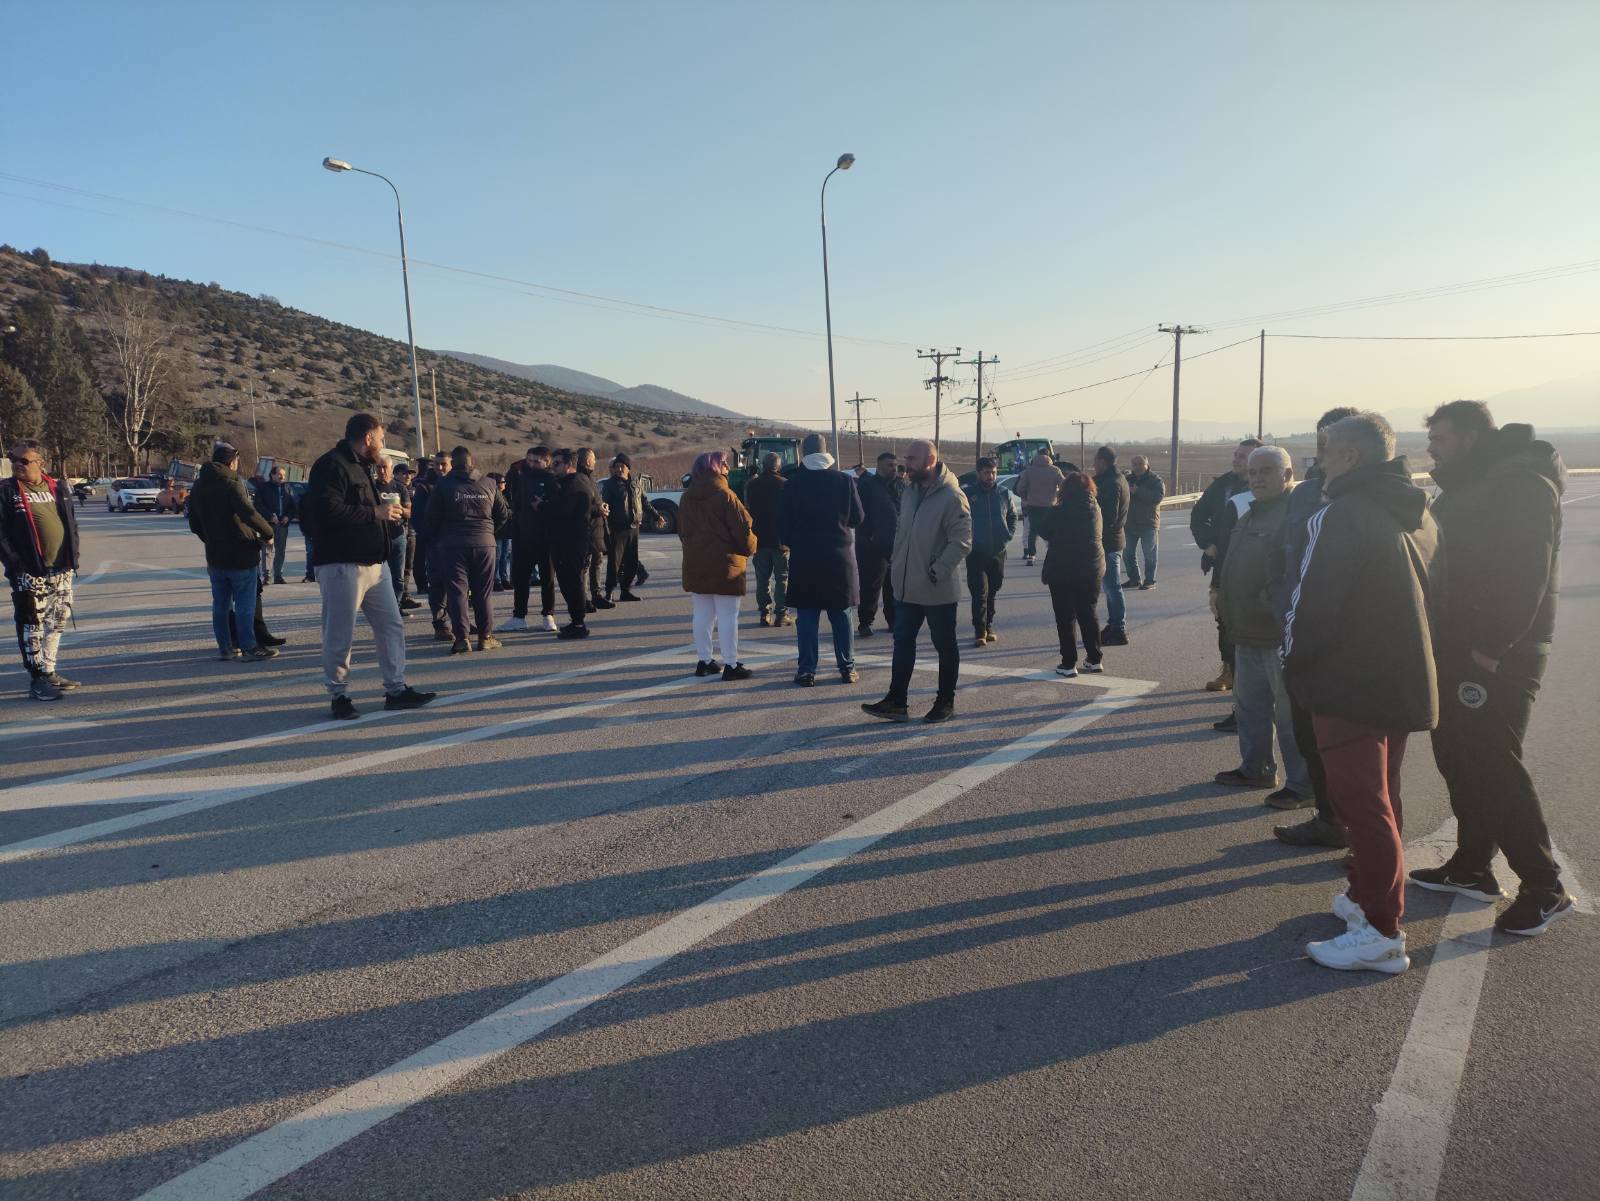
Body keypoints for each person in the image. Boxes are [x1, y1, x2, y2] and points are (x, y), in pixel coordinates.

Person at [1282, 412, 1439, 974]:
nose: (1319, 462)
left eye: (1325, 452)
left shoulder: (1342, 514)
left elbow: (1311, 602)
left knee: (1362, 804)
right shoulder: (1414, 509)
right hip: (1398, 675)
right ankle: (1365, 896)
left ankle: (1381, 929)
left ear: (1349, 457)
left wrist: (1290, 661)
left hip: (1349, 680)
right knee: (1382, 798)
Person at [1412, 401, 1574, 936]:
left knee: (1493, 761)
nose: (1433, 446)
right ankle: (1473, 865)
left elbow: (1525, 572)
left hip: (1500, 653)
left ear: (1474, 437)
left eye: (1442, 437)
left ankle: (1544, 887)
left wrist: (1490, 648)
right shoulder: (1471, 482)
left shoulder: (1521, 484)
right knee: (1458, 754)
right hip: (1458, 645)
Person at [1269, 406, 1359, 849]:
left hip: (1347, 641)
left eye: (1332, 447)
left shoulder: (1365, 497)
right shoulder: (1305, 493)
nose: (1323, 456)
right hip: (1299, 632)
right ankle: (1327, 816)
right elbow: (1287, 555)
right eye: (1319, 445)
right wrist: (1278, 606)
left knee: (1355, 748)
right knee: (1308, 733)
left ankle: (1365, 837)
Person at [307, 413, 436, 719]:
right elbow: (327, 511)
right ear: (367, 438)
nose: (383, 444)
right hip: (342, 563)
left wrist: (386, 484)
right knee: (340, 633)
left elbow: (378, 506)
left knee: (391, 625)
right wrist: (374, 512)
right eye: (381, 438)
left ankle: (396, 689)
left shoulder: (365, 468)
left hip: (375, 564)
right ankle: (338, 695)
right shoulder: (332, 465)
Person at [1214, 447, 1312, 803]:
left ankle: (1303, 785)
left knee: (1288, 718)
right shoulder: (1251, 513)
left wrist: (1271, 608)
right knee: (1250, 707)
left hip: (1277, 635)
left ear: (1288, 475)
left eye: (1268, 471)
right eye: (1253, 472)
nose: (1257, 478)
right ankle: (1255, 769)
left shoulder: (1295, 516)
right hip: (1245, 631)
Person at [862, 439, 972, 724]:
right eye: (906, 458)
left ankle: (945, 702)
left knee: (944, 646)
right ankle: (897, 701)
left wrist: (936, 571)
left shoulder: (952, 495)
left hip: (937, 588)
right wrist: (897, 564)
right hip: (907, 586)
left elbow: (962, 541)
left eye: (911, 459)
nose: (905, 464)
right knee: (902, 642)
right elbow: (902, 532)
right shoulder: (909, 492)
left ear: (931, 460)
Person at [779, 433, 864, 686]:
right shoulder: (844, 481)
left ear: (804, 455)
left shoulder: (792, 484)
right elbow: (858, 518)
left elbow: (783, 525)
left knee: (806, 616)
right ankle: (847, 667)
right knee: (841, 614)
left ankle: (807, 670)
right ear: (827, 454)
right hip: (838, 558)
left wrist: (797, 541)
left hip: (805, 558)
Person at [1, 438, 81, 700]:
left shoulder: (57, 487)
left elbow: (70, 524)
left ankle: (49, 670)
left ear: (40, 463)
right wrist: (16, 564)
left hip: (61, 569)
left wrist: (73, 557)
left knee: (56, 623)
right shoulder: (6, 491)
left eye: (24, 461)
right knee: (31, 625)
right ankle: (37, 679)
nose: (16, 465)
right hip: (29, 572)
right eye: (13, 459)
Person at [187, 441, 279, 662]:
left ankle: (226, 648)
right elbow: (247, 512)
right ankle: (249, 646)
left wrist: (209, 539)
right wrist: (267, 532)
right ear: (231, 461)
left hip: (215, 555)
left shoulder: (199, 485)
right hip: (241, 553)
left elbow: (194, 523)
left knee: (220, 604)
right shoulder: (232, 481)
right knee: (245, 604)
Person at [678, 450, 757, 680]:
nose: (727, 468)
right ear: (716, 467)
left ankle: (704, 660)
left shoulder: (686, 497)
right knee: (727, 615)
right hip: (725, 565)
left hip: (696, 563)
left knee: (702, 613)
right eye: (724, 465)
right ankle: (731, 664)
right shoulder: (726, 495)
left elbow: (682, 532)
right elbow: (744, 531)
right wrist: (751, 547)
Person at [423, 446, 510, 653]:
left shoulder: (443, 485)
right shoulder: (489, 484)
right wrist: (489, 532)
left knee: (457, 592)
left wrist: (440, 538)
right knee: (483, 593)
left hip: (453, 546)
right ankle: (485, 636)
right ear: (472, 463)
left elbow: (431, 518)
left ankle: (462, 638)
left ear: (453, 463)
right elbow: (503, 513)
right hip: (484, 545)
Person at [1191, 439, 1261, 693]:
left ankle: (1253, 680)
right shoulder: (1223, 485)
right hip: (1224, 565)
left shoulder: (1266, 487)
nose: (1236, 459)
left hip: (1257, 568)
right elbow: (1198, 515)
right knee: (1224, 619)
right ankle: (1229, 671)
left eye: (1243, 456)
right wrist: (1208, 542)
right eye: (1236, 454)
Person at [1030, 471, 1104, 678]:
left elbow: (1044, 530)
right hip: (1092, 567)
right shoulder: (1095, 508)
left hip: (1063, 569)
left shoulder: (1060, 510)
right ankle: (1094, 658)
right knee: (1088, 613)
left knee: (1065, 617)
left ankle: (1068, 662)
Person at [962, 456, 1017, 646]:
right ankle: (980, 630)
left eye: (993, 472)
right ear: (979, 473)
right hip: (976, 552)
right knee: (979, 592)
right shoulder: (968, 494)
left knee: (993, 590)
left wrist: (1007, 535)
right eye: (986, 472)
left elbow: (1012, 516)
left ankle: (989, 625)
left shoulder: (1004, 493)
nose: (990, 476)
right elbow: (960, 519)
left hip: (998, 551)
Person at [503, 446, 559, 633]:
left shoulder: (553, 480)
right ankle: (519, 616)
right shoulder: (520, 477)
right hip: (522, 537)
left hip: (546, 538)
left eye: (536, 461)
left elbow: (559, 507)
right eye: (529, 460)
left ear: (546, 462)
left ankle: (548, 615)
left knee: (547, 579)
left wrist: (543, 506)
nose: (531, 464)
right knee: (520, 579)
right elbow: (512, 502)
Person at [550, 447, 603, 639]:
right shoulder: (569, 482)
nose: (552, 468)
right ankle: (576, 620)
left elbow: (566, 512)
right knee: (568, 582)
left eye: (556, 464)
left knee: (573, 582)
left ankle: (579, 623)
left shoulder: (575, 484)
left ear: (568, 464)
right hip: (568, 540)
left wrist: (545, 505)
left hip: (572, 541)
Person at [855, 451, 902, 638]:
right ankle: (865, 623)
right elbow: (859, 515)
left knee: (894, 586)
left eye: (895, 465)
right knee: (871, 586)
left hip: (896, 545)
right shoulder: (867, 486)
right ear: (880, 466)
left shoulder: (900, 486)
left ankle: (893, 621)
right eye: (890, 464)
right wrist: (870, 537)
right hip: (871, 547)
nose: (894, 468)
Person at [599, 453, 655, 603]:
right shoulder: (609, 485)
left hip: (634, 528)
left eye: (621, 466)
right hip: (617, 530)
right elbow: (605, 505)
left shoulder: (636, 484)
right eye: (616, 466)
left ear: (628, 468)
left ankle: (625, 591)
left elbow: (644, 502)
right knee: (614, 563)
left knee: (632, 562)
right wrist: (606, 527)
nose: (618, 469)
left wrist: (656, 516)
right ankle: (609, 592)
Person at [743, 451, 790, 627]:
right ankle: (781, 614)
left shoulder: (751, 485)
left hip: (759, 539)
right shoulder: (785, 484)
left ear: (763, 465)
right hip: (780, 540)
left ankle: (764, 613)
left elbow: (748, 511)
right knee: (782, 578)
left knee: (762, 579)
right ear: (778, 466)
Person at [1092, 446, 1131, 645]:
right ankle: (1114, 624)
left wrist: (1093, 529)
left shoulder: (1111, 483)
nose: (1093, 464)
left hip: (1108, 541)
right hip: (1113, 540)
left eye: (1095, 460)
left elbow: (1109, 516)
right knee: (1110, 587)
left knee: (1113, 587)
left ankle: (1119, 629)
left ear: (1103, 461)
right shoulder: (1118, 479)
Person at [409, 450, 449, 602]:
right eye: (437, 464)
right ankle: (440, 620)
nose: (440, 468)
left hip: (455, 540)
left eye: (443, 464)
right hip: (433, 541)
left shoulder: (457, 483)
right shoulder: (424, 486)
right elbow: (417, 515)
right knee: (437, 582)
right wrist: (429, 537)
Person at [575, 448, 612, 612]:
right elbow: (581, 505)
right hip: (586, 530)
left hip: (597, 529)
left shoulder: (590, 478)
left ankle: (596, 596)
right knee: (584, 566)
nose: (595, 461)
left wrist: (602, 506)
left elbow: (594, 500)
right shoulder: (580, 478)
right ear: (588, 460)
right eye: (594, 458)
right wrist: (598, 510)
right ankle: (583, 599)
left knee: (597, 562)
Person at [1014, 448, 1063, 566]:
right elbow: (1064, 485)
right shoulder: (1055, 470)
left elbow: (1020, 488)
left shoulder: (1029, 470)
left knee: (1033, 531)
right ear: (1049, 457)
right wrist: (1057, 496)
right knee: (1052, 531)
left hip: (1033, 505)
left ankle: (1031, 555)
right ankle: (1053, 554)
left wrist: (1026, 497)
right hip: (1050, 506)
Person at [1123, 455, 1164, 589]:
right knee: (1128, 554)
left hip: (1148, 523)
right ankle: (1134, 579)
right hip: (1130, 524)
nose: (1138, 466)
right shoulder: (1127, 480)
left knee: (1149, 554)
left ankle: (1150, 580)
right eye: (1135, 464)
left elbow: (1157, 498)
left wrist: (1138, 491)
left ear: (1147, 465)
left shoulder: (1155, 480)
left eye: (1141, 463)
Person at [374, 458, 410, 609]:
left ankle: (395, 607)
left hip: (398, 535)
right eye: (379, 467)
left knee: (398, 576)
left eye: (385, 467)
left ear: (391, 468)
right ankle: (380, 607)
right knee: (376, 576)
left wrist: (400, 510)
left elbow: (409, 512)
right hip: (377, 537)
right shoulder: (371, 486)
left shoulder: (400, 487)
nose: (382, 471)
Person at [253, 465, 295, 585]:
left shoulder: (287, 488)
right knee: (267, 550)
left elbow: (292, 506)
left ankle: (278, 576)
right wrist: (270, 516)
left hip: (282, 525)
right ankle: (267, 576)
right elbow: (258, 506)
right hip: (267, 525)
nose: (282, 477)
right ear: (272, 475)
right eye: (279, 474)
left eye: (284, 475)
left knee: (281, 551)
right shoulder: (263, 488)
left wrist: (288, 516)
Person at [392, 464, 421, 611]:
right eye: (404, 473)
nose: (408, 476)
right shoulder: (394, 488)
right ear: (395, 474)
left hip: (412, 531)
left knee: (409, 566)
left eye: (410, 473)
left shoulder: (413, 489)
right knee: (398, 569)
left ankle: (405, 595)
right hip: (398, 532)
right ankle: (396, 599)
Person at [487, 472, 513, 590]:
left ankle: (504, 578)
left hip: (507, 530)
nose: (504, 484)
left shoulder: (505, 494)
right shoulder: (491, 496)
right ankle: (496, 580)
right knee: (496, 557)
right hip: (497, 530)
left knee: (505, 555)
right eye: (502, 482)